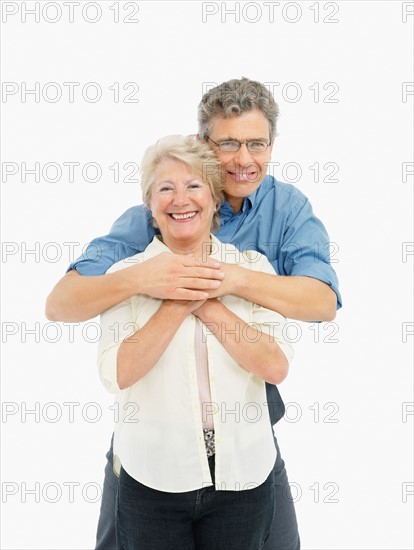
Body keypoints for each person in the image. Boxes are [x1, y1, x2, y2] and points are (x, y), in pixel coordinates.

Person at [46, 77, 341, 550]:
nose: (244, 159)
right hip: (158, 424)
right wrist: (150, 279)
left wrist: (224, 279)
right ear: (204, 144)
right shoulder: (160, 209)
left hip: (246, 420)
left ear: (272, 146)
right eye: (228, 143)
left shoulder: (286, 209)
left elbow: (322, 303)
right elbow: (62, 303)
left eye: (256, 143)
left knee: (278, 539)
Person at [98, 134, 294, 549]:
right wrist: (174, 301)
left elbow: (275, 365)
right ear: (150, 205)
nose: (180, 199)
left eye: (193, 186)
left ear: (213, 198)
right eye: (165, 188)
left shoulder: (252, 269)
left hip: (244, 476)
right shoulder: (126, 277)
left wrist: (206, 299)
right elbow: (117, 374)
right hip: (152, 477)